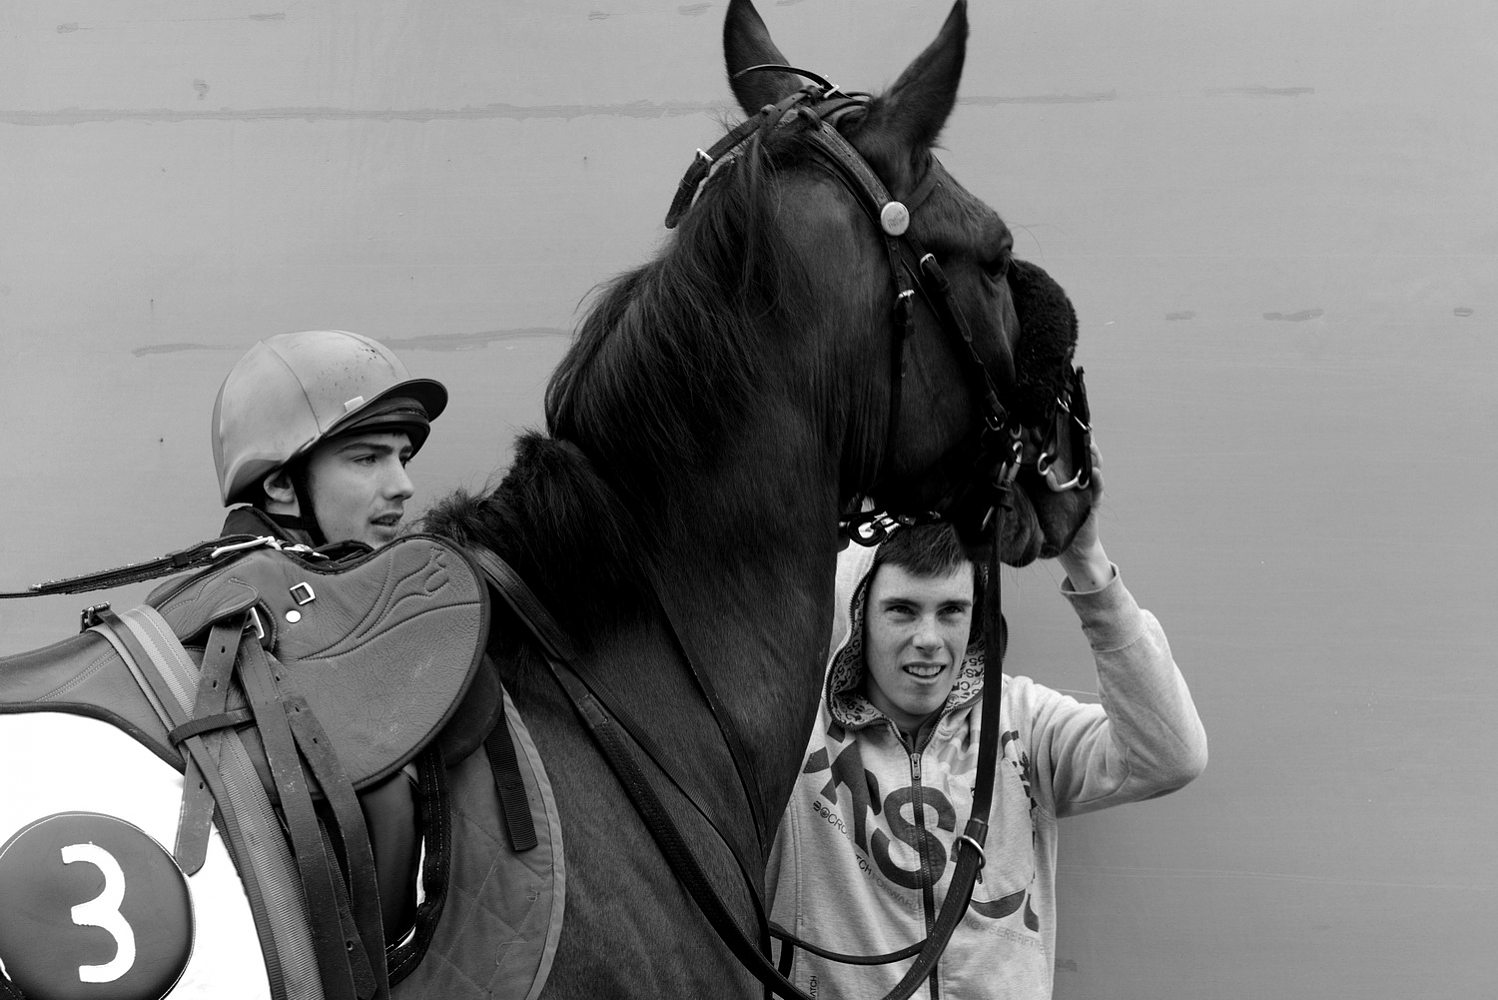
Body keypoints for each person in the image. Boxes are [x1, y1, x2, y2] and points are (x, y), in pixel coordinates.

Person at [767, 455, 1208, 1000]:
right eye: (902, 610)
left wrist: (1085, 557)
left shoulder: (1022, 721)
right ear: (860, 617)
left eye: (951, 611)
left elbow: (1172, 755)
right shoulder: (790, 734)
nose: (929, 638)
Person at [212, 329, 447, 549]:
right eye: (367, 459)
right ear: (282, 483)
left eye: (403, 460)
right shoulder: (250, 592)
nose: (404, 487)